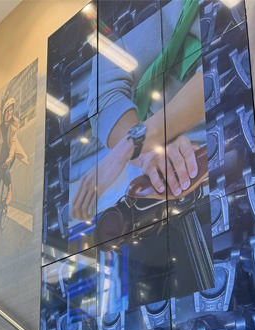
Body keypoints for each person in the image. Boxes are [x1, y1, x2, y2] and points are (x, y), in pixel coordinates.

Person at [72, 0, 205, 221]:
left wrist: (132, 145)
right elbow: (105, 96)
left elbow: (223, 58)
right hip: (156, 180)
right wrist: (149, 154)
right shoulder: (108, 11)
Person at [0, 96, 29, 226]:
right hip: (0, 158)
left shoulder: (13, 126)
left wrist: (10, 157)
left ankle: (10, 188)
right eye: (7, 111)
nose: (9, 114)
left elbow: (13, 142)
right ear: (3, 113)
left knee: (4, 172)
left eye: (11, 111)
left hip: (10, 155)